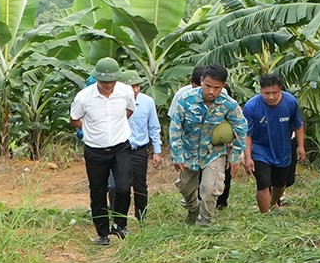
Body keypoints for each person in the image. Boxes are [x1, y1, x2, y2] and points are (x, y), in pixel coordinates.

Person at [168, 63, 249, 226]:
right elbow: (175, 127)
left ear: (223, 86)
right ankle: (193, 208)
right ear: (201, 81)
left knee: (210, 189)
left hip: (214, 153)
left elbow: (241, 128)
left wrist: (234, 156)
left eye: (216, 88)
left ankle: (205, 222)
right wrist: (177, 155)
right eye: (208, 86)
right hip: (189, 151)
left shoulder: (228, 104)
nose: (211, 91)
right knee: (185, 187)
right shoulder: (186, 100)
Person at [69, 57, 134, 246]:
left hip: (120, 147)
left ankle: (120, 224)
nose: (108, 84)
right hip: (95, 150)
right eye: (104, 81)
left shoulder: (125, 91)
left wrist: (116, 126)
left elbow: (129, 110)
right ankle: (102, 233)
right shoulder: (84, 97)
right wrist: (91, 130)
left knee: (123, 187)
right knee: (97, 191)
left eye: (111, 80)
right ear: (97, 78)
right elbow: (74, 119)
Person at [243, 72, 306, 213]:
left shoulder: (290, 102)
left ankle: (272, 203)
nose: (271, 97)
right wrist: (247, 157)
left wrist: (301, 146)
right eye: (267, 93)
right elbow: (247, 134)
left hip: (282, 149)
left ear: (280, 90)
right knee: (263, 182)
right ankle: (265, 215)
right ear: (261, 90)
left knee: (280, 184)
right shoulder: (251, 106)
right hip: (260, 149)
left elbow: (298, 125)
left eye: (274, 93)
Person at [118, 70, 162, 221]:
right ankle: (119, 218)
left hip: (139, 150)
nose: (136, 90)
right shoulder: (115, 103)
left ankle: (141, 217)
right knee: (119, 186)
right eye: (132, 87)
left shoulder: (147, 102)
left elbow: (154, 127)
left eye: (137, 86)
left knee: (140, 185)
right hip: (120, 150)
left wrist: (157, 151)